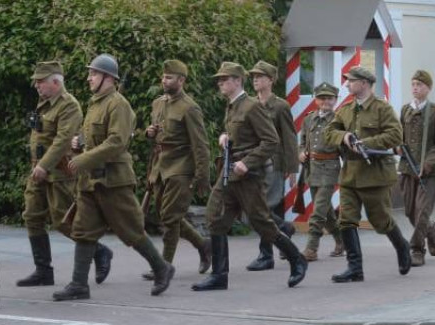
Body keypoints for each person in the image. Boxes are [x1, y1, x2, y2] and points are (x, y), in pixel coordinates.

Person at [53, 55, 175, 301]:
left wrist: (82, 160)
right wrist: (79, 144)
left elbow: (117, 142)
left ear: (108, 79)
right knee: (83, 231)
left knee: (131, 230)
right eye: (90, 74)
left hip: (113, 181)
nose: (89, 78)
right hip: (90, 182)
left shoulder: (118, 104)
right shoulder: (95, 103)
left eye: (94, 74)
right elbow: (95, 138)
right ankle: (79, 284)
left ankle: (162, 268)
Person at [191, 62, 305, 291]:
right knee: (215, 218)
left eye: (225, 79)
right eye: (220, 80)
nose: (220, 83)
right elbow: (238, 134)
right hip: (229, 172)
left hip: (249, 175)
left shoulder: (252, 106)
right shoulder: (232, 106)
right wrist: (225, 136)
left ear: (237, 81)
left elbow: (271, 141)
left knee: (262, 222)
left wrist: (247, 162)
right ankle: (219, 276)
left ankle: (296, 258)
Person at [18, 59, 114, 287]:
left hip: (59, 172)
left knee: (64, 220)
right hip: (39, 170)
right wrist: (37, 166)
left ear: (55, 82)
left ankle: (100, 251)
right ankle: (43, 271)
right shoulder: (44, 103)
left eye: (40, 82)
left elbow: (62, 141)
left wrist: (44, 165)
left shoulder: (69, 105)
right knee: (32, 217)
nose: (36, 86)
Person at [324, 66, 412, 283]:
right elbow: (329, 133)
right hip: (350, 175)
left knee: (381, 221)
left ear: (364, 83)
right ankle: (355, 268)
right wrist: (344, 137)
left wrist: (366, 143)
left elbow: (395, 135)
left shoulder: (382, 108)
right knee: (346, 220)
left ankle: (402, 246)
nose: (346, 84)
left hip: (375, 174)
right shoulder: (345, 110)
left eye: (351, 81)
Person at [142, 60, 211, 280]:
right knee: (169, 216)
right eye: (163, 77)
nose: (164, 81)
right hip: (160, 167)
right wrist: (149, 133)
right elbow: (158, 136)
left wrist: (201, 176)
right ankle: (203, 245)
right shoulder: (157, 103)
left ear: (181, 80)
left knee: (170, 219)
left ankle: (163, 267)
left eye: (169, 78)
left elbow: (200, 144)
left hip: (181, 168)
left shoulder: (189, 108)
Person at [245, 61, 299, 271]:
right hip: (253, 163)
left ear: (270, 80)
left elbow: (289, 137)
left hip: (273, 163)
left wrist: (292, 167)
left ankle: (265, 254)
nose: (255, 79)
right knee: (257, 209)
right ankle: (285, 228)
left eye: (260, 76)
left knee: (263, 209)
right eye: (254, 76)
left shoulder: (280, 106)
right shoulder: (250, 103)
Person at [398, 71, 435, 263]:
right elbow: (399, 136)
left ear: (428, 88)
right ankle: (430, 229)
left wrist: (429, 162)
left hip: (428, 172)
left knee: (421, 211)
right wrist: (397, 146)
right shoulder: (405, 110)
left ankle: (417, 250)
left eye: (419, 85)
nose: (415, 88)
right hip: (406, 169)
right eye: (413, 84)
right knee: (410, 212)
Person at [298, 82, 343, 261]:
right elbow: (302, 141)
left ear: (335, 100)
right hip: (312, 168)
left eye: (329, 98)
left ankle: (311, 248)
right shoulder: (309, 119)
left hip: (330, 167)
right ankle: (341, 240)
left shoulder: (339, 120)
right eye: (322, 98)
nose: (325, 101)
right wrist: (300, 153)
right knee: (327, 211)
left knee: (318, 210)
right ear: (316, 99)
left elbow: (343, 145)